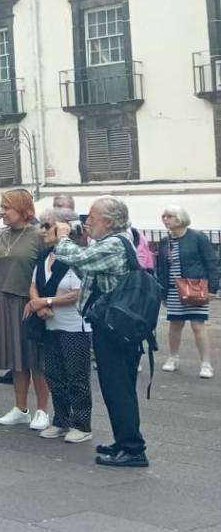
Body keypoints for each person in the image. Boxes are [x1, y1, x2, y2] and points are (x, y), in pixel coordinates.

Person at [47, 196, 149, 467]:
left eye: (92, 217)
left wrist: (64, 236)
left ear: (109, 221)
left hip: (114, 328)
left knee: (118, 389)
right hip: (110, 325)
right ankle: (124, 440)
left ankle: (133, 448)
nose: (86, 221)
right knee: (114, 387)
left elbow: (73, 256)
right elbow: (85, 269)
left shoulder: (114, 244)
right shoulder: (108, 244)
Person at [0, 188, 50, 431]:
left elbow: (47, 270)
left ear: (23, 210)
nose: (2, 211)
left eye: (6, 207)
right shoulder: (0, 235)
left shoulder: (39, 235)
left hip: (29, 301)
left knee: (35, 358)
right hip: (6, 300)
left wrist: (40, 301)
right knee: (16, 359)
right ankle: (21, 408)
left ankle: (43, 410)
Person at [28, 212, 92, 443]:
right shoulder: (44, 256)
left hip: (74, 326)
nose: (43, 230)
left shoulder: (75, 257)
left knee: (76, 376)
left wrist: (45, 302)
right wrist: (38, 303)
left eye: (48, 226)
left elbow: (77, 293)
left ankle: (82, 424)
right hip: (50, 324)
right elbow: (34, 284)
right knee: (54, 374)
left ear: (62, 229)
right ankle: (61, 420)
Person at [158, 205, 219, 378]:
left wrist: (213, 288)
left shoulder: (198, 237)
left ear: (180, 218)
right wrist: (163, 292)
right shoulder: (165, 241)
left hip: (195, 286)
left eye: (169, 216)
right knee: (175, 324)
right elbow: (161, 267)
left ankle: (206, 364)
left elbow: (211, 263)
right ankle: (173, 358)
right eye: (164, 216)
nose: (165, 219)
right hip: (172, 288)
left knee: (197, 324)